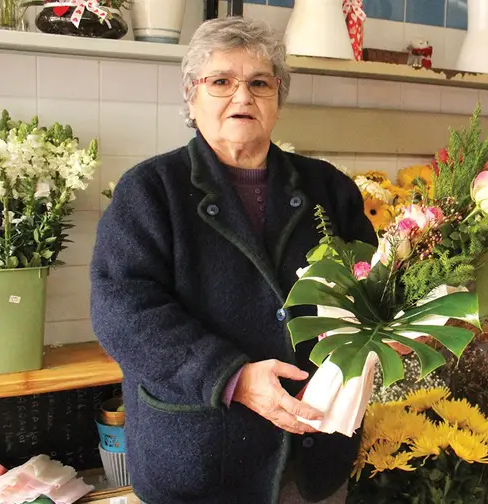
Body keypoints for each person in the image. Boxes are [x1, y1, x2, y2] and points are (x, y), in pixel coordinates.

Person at [89, 17, 376, 504]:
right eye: (221, 81)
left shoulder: (328, 187)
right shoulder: (150, 191)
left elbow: (370, 286)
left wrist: (393, 331)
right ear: (191, 96)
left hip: (315, 450)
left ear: (278, 99)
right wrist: (232, 377)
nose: (242, 97)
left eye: (260, 82)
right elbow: (123, 313)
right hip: (202, 458)